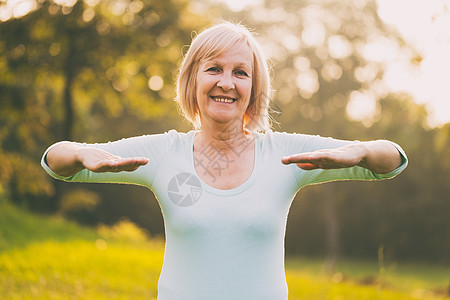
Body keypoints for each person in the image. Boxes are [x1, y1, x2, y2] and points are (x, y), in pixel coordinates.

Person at [41, 22, 407, 299]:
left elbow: (393, 160)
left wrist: (361, 150)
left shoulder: (285, 154)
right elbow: (53, 161)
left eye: (240, 72)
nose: (227, 83)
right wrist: (76, 152)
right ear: (192, 80)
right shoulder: (164, 153)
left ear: (253, 88)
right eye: (214, 69)